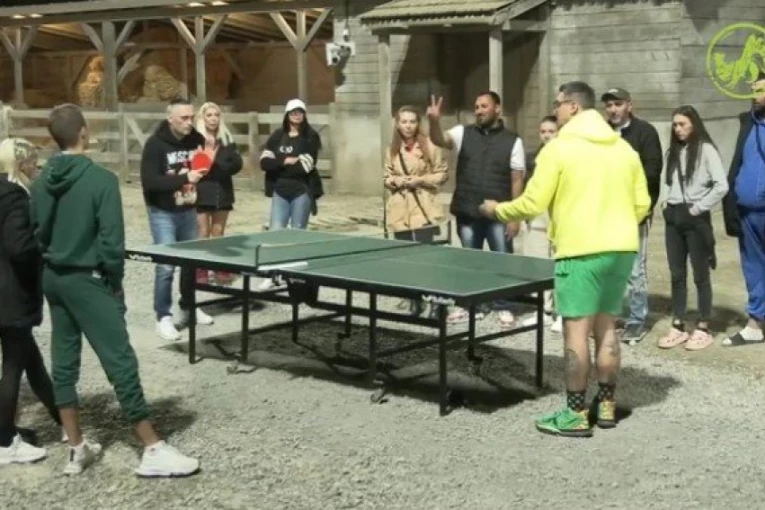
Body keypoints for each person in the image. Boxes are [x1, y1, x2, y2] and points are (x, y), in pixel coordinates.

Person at [28, 103, 200, 476]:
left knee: (64, 360)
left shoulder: (39, 183)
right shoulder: (101, 180)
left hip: (54, 278)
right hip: (89, 279)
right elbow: (111, 241)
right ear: (84, 132)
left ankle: (76, 447)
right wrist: (115, 283)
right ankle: (151, 447)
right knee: (120, 359)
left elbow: (36, 232)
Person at [478, 81, 651, 437]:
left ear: (573, 106)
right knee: (607, 329)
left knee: (576, 333)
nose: (555, 110)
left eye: (558, 104)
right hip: (621, 249)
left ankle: (575, 414)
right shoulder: (624, 150)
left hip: (579, 251)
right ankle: (606, 405)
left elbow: (532, 203)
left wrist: (497, 210)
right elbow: (642, 204)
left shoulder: (558, 149)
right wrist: (612, 223)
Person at [427, 91, 526, 328]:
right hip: (467, 210)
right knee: (470, 261)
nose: (479, 110)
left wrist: (515, 216)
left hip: (499, 213)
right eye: (476, 107)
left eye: (484, 106)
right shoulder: (463, 133)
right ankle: (472, 305)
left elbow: (517, 179)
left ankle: (503, 305)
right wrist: (434, 121)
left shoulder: (513, 140)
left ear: (497, 109)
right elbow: (439, 139)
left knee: (501, 261)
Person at [0, 138, 62, 465]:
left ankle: (61, 418)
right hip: (11, 294)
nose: (36, 169)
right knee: (13, 365)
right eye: (34, 164)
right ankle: (5, 441)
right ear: (22, 164)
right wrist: (44, 241)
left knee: (29, 360)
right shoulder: (15, 197)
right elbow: (19, 247)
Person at [140, 98, 214, 342]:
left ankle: (189, 305)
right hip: (163, 212)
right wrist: (184, 178)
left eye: (191, 117)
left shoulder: (196, 140)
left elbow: (202, 168)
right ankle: (163, 316)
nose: (189, 122)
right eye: (183, 118)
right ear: (170, 118)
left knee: (190, 263)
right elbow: (150, 182)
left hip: (188, 210)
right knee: (166, 267)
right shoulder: (155, 145)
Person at [657, 106, 728, 351]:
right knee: (677, 274)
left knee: (700, 275)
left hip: (696, 217)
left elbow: (721, 185)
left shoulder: (706, 150)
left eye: (682, 124)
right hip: (673, 216)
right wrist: (665, 203)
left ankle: (703, 325)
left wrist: (698, 208)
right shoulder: (673, 152)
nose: (678, 129)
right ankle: (678, 323)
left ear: (694, 124)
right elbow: (667, 181)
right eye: (675, 125)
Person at [602, 88, 663, 344]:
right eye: (609, 105)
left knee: (635, 269)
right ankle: (617, 313)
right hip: (605, 211)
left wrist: (643, 205)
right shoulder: (602, 132)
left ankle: (637, 318)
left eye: (617, 104)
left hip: (634, 211)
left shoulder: (645, 132)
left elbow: (652, 172)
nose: (613, 109)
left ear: (629, 104)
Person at [383, 105, 448, 316]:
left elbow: (442, 174)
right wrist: (396, 181)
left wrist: (420, 180)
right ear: (397, 124)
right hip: (400, 207)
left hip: (423, 205)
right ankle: (413, 298)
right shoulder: (392, 149)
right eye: (404, 122)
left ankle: (435, 300)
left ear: (418, 124)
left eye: (412, 121)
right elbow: (386, 176)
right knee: (405, 256)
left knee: (426, 255)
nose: (408, 126)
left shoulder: (430, 146)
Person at [258, 98, 323, 290]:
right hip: (280, 190)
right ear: (287, 114)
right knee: (275, 233)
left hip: (301, 191)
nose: (297, 115)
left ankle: (295, 275)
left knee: (297, 232)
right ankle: (272, 274)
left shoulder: (311, 137)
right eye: (293, 112)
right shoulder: (277, 135)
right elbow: (264, 162)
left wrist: (278, 163)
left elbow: (305, 167)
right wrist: (285, 161)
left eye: (300, 112)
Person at [722, 71, 765, 347]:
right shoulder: (748, 123)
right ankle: (755, 325)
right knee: (753, 267)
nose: (753, 95)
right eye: (752, 89)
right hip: (748, 211)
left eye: (759, 90)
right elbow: (738, 162)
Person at [193, 102, 243, 286]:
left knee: (218, 231)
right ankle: (201, 268)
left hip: (222, 190)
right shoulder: (195, 140)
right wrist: (207, 161)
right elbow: (196, 167)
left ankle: (219, 267)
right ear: (202, 118)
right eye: (209, 115)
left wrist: (216, 163)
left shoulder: (226, 139)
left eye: (216, 115)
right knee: (203, 232)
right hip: (202, 190)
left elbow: (236, 164)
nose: (213, 119)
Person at [521, 116, 560, 332]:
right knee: (538, 264)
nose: (546, 135)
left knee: (559, 265)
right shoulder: (533, 158)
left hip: (559, 216)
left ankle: (562, 313)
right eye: (543, 131)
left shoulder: (566, 156)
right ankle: (543, 310)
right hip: (538, 215)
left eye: (551, 131)